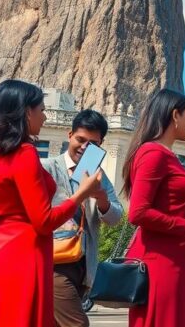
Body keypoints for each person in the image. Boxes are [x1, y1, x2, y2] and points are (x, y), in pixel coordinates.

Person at [0, 80, 104, 327]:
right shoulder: (24, 153)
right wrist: (81, 193)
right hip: (22, 256)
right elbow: (44, 221)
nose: (45, 116)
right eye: (41, 109)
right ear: (27, 112)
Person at [122, 89, 185, 327]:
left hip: (176, 259)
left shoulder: (166, 155)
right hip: (159, 263)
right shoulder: (152, 153)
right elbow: (138, 212)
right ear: (175, 115)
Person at [41, 109, 123, 327]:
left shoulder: (98, 175)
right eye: (81, 139)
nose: (85, 147)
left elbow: (116, 218)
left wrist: (101, 198)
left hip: (84, 265)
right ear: (70, 135)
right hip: (53, 262)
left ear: (101, 144)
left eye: (94, 144)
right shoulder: (47, 168)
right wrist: (81, 194)